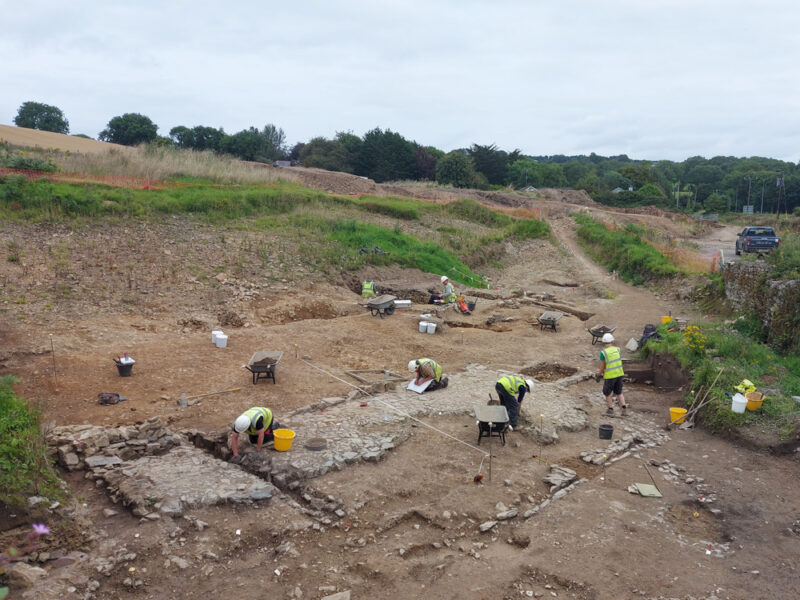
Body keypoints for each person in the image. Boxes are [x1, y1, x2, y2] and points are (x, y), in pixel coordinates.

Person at [598, 333, 628, 416]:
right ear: (612, 341)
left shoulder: (603, 353)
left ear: (603, 342)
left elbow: (602, 367)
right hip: (619, 374)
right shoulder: (617, 349)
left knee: (607, 393)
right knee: (619, 392)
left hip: (610, 376)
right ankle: (624, 409)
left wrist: (599, 375)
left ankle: (610, 410)